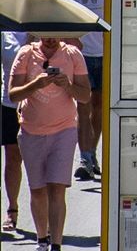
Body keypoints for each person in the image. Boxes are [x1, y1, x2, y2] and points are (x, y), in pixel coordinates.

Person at [24, 0, 102, 182]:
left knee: (99, 109)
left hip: (107, 55)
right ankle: (86, 158)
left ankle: (91, 154)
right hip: (78, 54)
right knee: (84, 107)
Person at [7, 32, 87, 251]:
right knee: (38, 189)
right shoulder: (25, 54)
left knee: (57, 188)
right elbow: (13, 94)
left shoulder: (73, 54)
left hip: (64, 130)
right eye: (45, 36)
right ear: (38, 34)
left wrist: (68, 85)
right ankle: (42, 238)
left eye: (54, 35)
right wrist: (36, 84)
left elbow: (85, 95)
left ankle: (56, 244)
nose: (50, 40)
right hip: (31, 130)